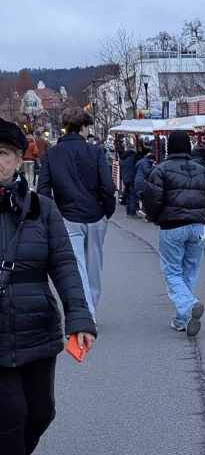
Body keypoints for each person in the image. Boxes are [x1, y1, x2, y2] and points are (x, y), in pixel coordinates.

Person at [0, 120, 95, 455]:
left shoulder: (43, 209)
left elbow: (65, 266)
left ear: (18, 160)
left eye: (3, 154)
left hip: (37, 326)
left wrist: (80, 319)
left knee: (41, 412)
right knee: (10, 415)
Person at [37, 106, 115, 320]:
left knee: (77, 266)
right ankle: (91, 308)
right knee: (94, 266)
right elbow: (107, 186)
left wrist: (52, 216)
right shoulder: (96, 152)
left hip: (68, 216)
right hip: (96, 214)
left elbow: (43, 189)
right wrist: (107, 211)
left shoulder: (52, 154)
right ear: (83, 127)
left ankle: (87, 312)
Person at [143, 131, 205, 335]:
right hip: (198, 226)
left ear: (169, 147)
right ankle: (182, 319)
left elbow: (152, 200)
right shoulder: (201, 170)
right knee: (190, 271)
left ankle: (188, 306)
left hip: (172, 226)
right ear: (189, 146)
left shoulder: (161, 170)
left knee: (172, 272)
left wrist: (154, 218)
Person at [133, 144, 156, 214]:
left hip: (138, 180)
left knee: (140, 195)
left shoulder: (141, 161)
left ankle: (139, 208)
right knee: (145, 196)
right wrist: (154, 167)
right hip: (142, 181)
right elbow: (147, 172)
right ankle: (144, 211)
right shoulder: (146, 163)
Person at [119, 145, 139, 212]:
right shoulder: (132, 158)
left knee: (128, 194)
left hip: (125, 178)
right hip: (132, 178)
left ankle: (128, 210)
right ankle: (132, 212)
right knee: (132, 195)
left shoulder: (123, 160)